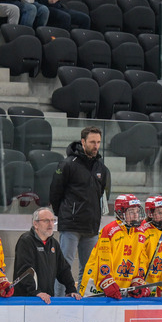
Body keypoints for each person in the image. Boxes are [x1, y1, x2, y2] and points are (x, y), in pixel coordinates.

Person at [49, 126, 111, 295]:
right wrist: (63, 213)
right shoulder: (68, 164)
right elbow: (55, 192)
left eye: (98, 142)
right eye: (92, 142)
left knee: (89, 268)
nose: (95, 145)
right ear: (83, 142)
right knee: (65, 266)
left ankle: (83, 300)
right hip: (71, 225)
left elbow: (103, 196)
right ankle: (59, 301)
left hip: (91, 227)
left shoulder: (102, 169)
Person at [81, 194, 153, 299]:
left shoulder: (141, 233)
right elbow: (103, 259)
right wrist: (107, 281)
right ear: (121, 213)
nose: (136, 215)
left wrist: (138, 281)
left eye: (137, 212)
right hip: (96, 285)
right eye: (131, 212)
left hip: (122, 285)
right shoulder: (110, 230)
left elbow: (141, 260)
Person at [12, 206, 81, 303]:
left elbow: (63, 269)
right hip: (27, 299)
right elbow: (25, 271)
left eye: (53, 220)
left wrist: (71, 289)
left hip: (47, 298)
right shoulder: (26, 241)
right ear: (35, 224)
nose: (51, 224)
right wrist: (35, 292)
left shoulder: (53, 243)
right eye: (46, 221)